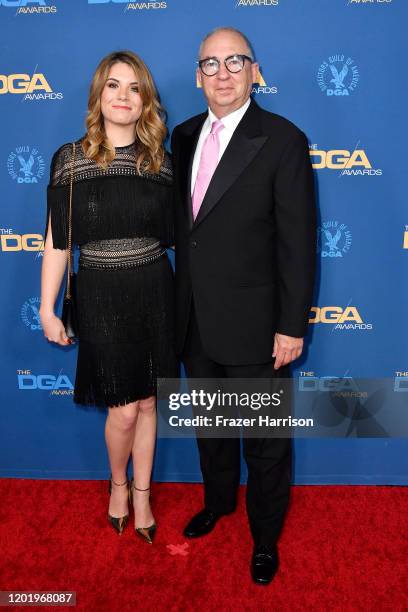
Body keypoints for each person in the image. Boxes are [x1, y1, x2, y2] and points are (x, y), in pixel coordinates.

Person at [171, 28, 316, 583]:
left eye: (236, 61)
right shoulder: (182, 136)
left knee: (264, 440)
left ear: (256, 70)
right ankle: (218, 502)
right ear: (198, 75)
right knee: (211, 426)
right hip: (194, 320)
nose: (223, 73)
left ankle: (264, 535)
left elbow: (297, 242)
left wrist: (290, 325)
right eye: (211, 63)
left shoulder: (282, 139)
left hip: (258, 326)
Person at [40, 51, 176, 544]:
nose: (123, 96)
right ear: (98, 95)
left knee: (147, 404)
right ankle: (118, 485)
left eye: (134, 87)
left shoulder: (161, 161)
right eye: (113, 86)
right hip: (100, 290)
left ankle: (142, 493)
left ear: (146, 101)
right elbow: (57, 241)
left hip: (155, 288)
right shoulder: (70, 159)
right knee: (123, 406)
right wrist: (45, 307)